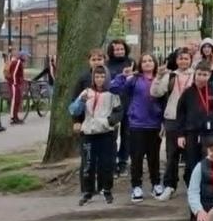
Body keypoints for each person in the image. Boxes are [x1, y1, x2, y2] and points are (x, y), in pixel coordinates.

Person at [110, 53, 163, 201]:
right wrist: (123, 76)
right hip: (137, 124)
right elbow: (114, 88)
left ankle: (156, 184)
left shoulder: (159, 79)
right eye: (144, 61)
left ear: (155, 63)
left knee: (154, 157)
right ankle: (136, 186)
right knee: (137, 157)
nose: (147, 63)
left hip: (155, 124)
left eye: (150, 60)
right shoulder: (134, 79)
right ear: (140, 64)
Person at [68, 65, 122, 205]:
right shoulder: (86, 92)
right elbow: (74, 110)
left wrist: (109, 121)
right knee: (88, 163)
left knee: (106, 163)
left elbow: (118, 112)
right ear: (93, 78)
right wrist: (81, 101)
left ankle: (107, 189)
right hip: (88, 134)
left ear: (107, 78)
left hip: (106, 133)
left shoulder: (112, 94)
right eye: (97, 77)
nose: (99, 80)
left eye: (102, 77)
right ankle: (88, 191)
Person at [150, 47, 195, 201]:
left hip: (190, 119)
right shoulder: (170, 76)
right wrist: (158, 76)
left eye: (186, 58)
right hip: (172, 118)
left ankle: (191, 185)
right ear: (176, 60)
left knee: (191, 155)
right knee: (172, 154)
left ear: (190, 60)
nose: (183, 61)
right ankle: (170, 185)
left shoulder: (195, 75)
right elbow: (155, 93)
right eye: (181, 58)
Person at [178, 61, 213, 185]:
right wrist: (181, 135)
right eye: (199, 74)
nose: (201, 77)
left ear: (209, 75)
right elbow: (181, 114)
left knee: (208, 161)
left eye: (205, 75)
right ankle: (191, 186)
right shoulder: (187, 92)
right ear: (195, 74)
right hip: (192, 133)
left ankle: (206, 187)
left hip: (210, 133)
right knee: (191, 162)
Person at [106, 39, 135, 176]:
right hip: (112, 104)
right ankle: (112, 163)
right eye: (116, 49)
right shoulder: (107, 65)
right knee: (112, 134)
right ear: (112, 51)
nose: (119, 52)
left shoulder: (131, 62)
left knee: (127, 135)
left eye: (121, 49)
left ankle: (123, 161)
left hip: (129, 103)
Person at [5, 50, 28, 124]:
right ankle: (13, 118)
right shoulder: (18, 62)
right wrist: (15, 83)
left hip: (16, 84)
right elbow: (14, 74)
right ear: (22, 56)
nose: (27, 58)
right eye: (26, 56)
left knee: (17, 101)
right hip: (14, 84)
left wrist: (22, 80)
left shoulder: (19, 62)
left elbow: (19, 74)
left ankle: (16, 117)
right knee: (14, 100)